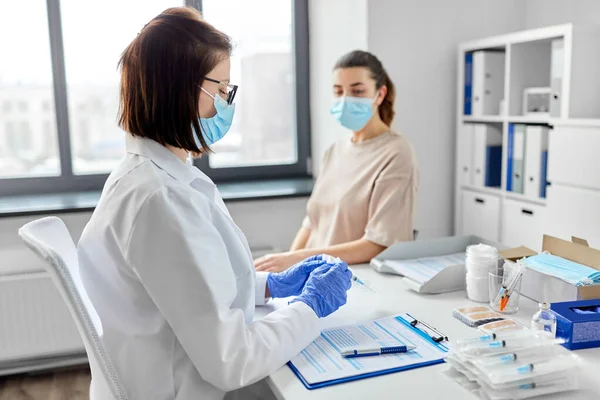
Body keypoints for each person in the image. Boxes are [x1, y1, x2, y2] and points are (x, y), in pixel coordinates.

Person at [76, 7, 351, 400]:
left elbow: (192, 290)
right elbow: (231, 360)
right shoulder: (159, 199)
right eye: (221, 89)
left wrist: (268, 286)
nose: (226, 103)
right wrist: (310, 307)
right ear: (180, 88)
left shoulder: (157, 176)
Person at [255, 50, 418, 273]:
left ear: (379, 95)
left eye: (357, 91)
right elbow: (312, 223)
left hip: (349, 282)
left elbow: (379, 243)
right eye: (338, 91)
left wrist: (298, 259)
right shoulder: (335, 150)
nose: (345, 100)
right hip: (312, 275)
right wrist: (285, 267)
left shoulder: (396, 153)